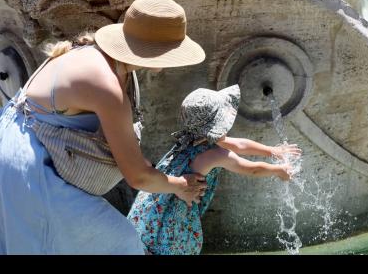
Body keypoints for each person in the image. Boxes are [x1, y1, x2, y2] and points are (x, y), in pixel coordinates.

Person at [0, 0, 208, 254]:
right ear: (160, 54)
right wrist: (181, 186)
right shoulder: (107, 86)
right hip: (27, 170)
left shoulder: (96, 54)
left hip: (10, 152)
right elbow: (137, 176)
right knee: (120, 244)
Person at [127, 84, 302, 255]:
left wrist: (272, 151)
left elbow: (239, 144)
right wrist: (279, 170)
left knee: (148, 243)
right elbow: (251, 170)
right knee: (167, 247)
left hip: (156, 209)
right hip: (172, 223)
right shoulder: (216, 154)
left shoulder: (193, 138)